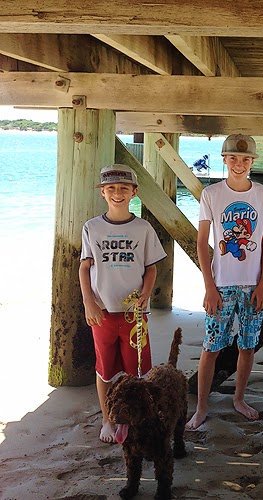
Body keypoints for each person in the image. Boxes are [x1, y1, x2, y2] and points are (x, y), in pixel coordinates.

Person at [186, 134, 263, 430]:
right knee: (211, 347)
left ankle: (239, 399)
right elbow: (202, 242)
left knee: (248, 346)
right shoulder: (211, 194)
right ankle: (201, 407)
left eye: (245, 159)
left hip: (253, 285)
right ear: (224, 160)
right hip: (221, 285)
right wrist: (209, 286)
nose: (239, 164)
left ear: (252, 162)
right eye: (233, 159)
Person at [79, 163, 167, 443]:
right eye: (112, 188)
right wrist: (89, 302)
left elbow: (151, 268)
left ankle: (139, 420)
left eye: (124, 188)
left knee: (138, 372)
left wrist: (146, 294)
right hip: (103, 312)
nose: (118, 193)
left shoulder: (143, 228)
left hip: (134, 314)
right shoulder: (92, 227)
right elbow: (84, 267)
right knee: (105, 370)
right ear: (103, 192)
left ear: (134, 193)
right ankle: (107, 419)